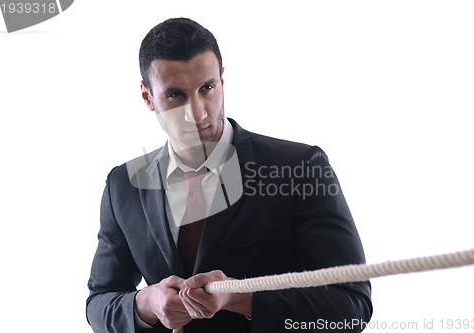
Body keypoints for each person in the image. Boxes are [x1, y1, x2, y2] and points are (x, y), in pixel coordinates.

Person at [86, 18, 372, 333]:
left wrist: (242, 298)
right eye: (175, 95)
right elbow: (99, 303)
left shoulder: (301, 168)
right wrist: (146, 304)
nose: (197, 113)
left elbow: (352, 308)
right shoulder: (122, 187)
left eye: (207, 88)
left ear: (222, 79)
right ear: (147, 97)